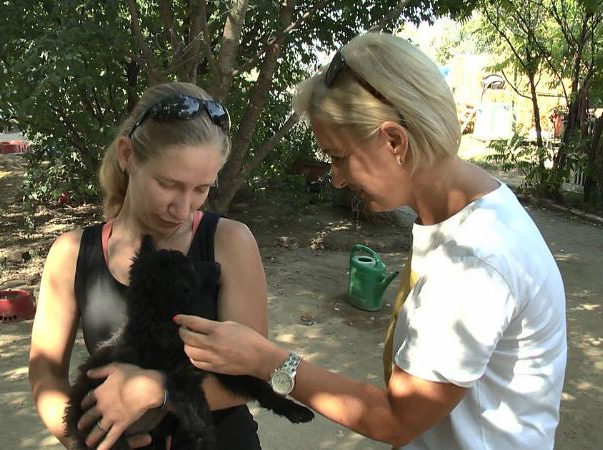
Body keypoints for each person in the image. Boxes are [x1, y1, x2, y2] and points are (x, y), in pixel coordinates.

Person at [175, 33, 568, 449]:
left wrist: (264, 359)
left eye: (339, 156)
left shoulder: (473, 262)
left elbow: (397, 419)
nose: (336, 177)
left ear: (394, 141)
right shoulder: (463, 215)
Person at [28, 81, 269, 450]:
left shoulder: (229, 242)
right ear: (127, 155)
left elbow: (254, 371)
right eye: (168, 184)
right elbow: (46, 373)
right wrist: (83, 437)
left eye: (201, 189)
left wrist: (158, 392)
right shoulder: (72, 253)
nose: (183, 207)